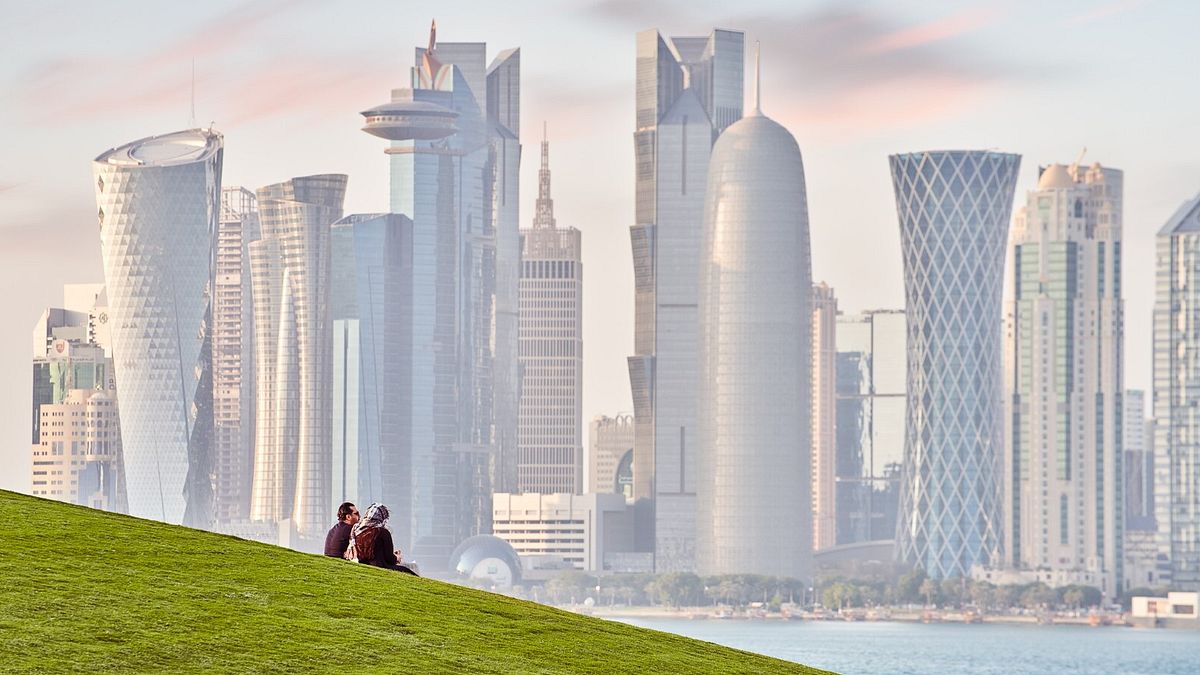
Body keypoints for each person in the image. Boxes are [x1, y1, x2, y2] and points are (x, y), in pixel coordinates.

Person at [351, 503, 419, 576]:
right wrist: (397, 557)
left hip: (366, 566)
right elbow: (390, 559)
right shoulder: (382, 532)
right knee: (410, 569)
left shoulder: (356, 531)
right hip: (381, 567)